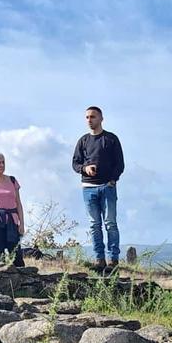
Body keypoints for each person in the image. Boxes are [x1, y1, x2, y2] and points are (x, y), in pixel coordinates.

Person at [71, 105, 125, 272]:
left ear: (101, 118)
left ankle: (113, 260)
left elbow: (120, 164)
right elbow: (75, 163)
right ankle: (99, 259)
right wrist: (85, 169)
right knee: (94, 224)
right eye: (87, 117)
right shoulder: (83, 141)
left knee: (110, 223)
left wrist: (112, 180)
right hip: (88, 187)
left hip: (107, 186)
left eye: (93, 117)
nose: (89, 120)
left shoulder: (111, 139)